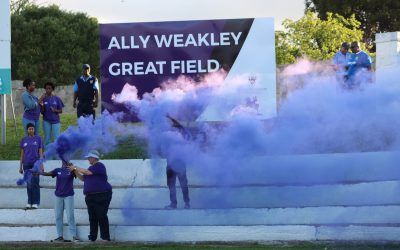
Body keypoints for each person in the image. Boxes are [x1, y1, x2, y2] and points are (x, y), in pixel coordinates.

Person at [68, 150, 112, 242]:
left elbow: (87, 172)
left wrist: (75, 167)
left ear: (94, 158)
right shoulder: (91, 168)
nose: (88, 159)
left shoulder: (99, 165)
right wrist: (75, 171)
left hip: (101, 195)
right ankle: (92, 237)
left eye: (89, 157)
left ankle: (105, 237)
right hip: (90, 196)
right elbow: (83, 178)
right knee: (92, 217)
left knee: (101, 216)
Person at [42, 161, 80, 242]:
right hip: (58, 196)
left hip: (69, 195)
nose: (64, 163)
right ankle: (60, 236)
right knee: (58, 216)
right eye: (63, 161)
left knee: (70, 216)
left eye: (66, 161)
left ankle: (74, 236)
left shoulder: (71, 170)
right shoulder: (57, 170)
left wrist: (74, 168)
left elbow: (80, 176)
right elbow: (48, 173)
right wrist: (39, 172)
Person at [164, 115, 190, 209]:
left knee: (183, 184)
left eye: (174, 126)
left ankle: (186, 203)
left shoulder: (182, 133)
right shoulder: (168, 134)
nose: (172, 127)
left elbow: (180, 126)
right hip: (170, 163)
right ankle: (173, 204)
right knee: (171, 184)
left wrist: (170, 117)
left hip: (180, 163)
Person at [19, 123, 43, 209]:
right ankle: (30, 202)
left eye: (32, 129)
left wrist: (41, 164)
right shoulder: (23, 140)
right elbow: (22, 155)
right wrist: (20, 166)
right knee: (29, 183)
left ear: (34, 130)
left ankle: (36, 203)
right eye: (29, 129)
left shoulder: (38, 139)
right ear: (27, 130)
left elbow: (40, 152)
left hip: (36, 165)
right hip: (26, 165)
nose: (31, 130)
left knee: (35, 183)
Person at [39, 82, 64, 148]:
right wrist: (42, 106)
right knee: (47, 138)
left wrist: (55, 110)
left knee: (56, 138)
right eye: (46, 89)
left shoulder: (57, 98)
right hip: (46, 121)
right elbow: (42, 112)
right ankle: (48, 154)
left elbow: (61, 111)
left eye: (49, 88)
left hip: (55, 121)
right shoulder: (43, 99)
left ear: (52, 89)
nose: (47, 90)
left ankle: (57, 153)